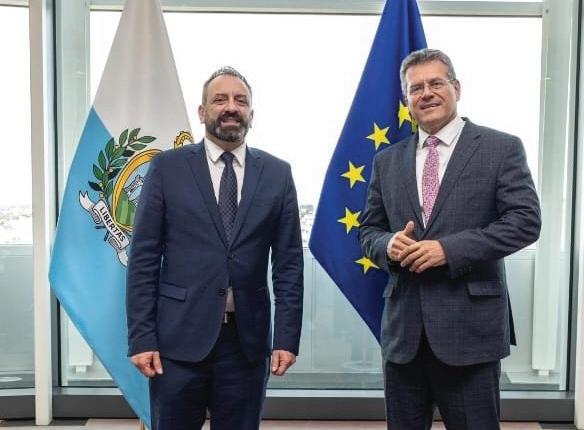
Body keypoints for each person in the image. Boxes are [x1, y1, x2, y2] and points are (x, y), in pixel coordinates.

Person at [359, 49, 541, 429]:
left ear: (456, 88)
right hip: (404, 336)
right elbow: (368, 231)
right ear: (406, 100)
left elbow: (525, 222)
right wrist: (388, 245)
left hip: (471, 332)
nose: (426, 93)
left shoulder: (501, 148)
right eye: (416, 88)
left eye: (436, 83)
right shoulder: (386, 161)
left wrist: (448, 249)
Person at [126, 66, 304, 430]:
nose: (231, 107)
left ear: (251, 113)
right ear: (202, 111)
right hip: (176, 342)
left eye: (241, 100)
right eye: (220, 99)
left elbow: (288, 265)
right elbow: (143, 259)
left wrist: (286, 339)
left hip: (246, 344)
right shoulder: (167, 168)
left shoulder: (277, 173)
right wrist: (141, 337)